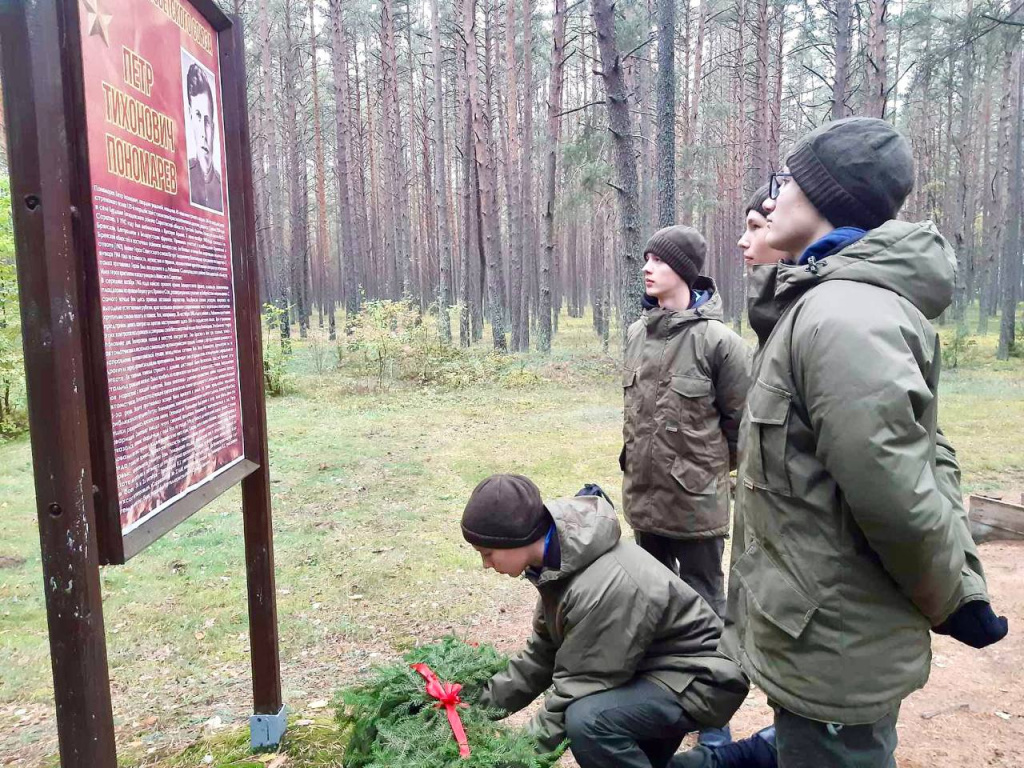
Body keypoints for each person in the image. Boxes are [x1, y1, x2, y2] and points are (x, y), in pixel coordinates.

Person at [720, 116, 1007, 768]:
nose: (770, 200)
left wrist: (954, 596)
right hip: (820, 631)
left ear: (826, 197)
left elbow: (897, 488)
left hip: (838, 642)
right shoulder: (820, 303)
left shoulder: (842, 316)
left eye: (785, 181)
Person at [462, 474, 749, 768]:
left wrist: (508, 762)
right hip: (647, 671)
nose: (486, 564)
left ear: (514, 539)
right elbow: (541, 656)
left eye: (487, 553)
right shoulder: (556, 566)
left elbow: (576, 687)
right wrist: (468, 708)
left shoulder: (601, 585)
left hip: (698, 680)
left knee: (588, 720)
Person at [620, 225, 750, 621]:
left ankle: (715, 676)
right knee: (650, 600)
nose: (648, 267)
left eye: (658, 260)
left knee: (704, 604)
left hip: (695, 505)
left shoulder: (720, 343)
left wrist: (701, 474)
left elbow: (742, 429)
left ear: (683, 269)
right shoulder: (636, 334)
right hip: (644, 496)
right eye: (646, 258)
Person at [185, 62, 223, 212]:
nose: (202, 133)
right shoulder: (184, 175)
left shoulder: (222, 186)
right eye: (198, 116)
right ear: (190, 116)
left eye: (207, 121)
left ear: (213, 127)